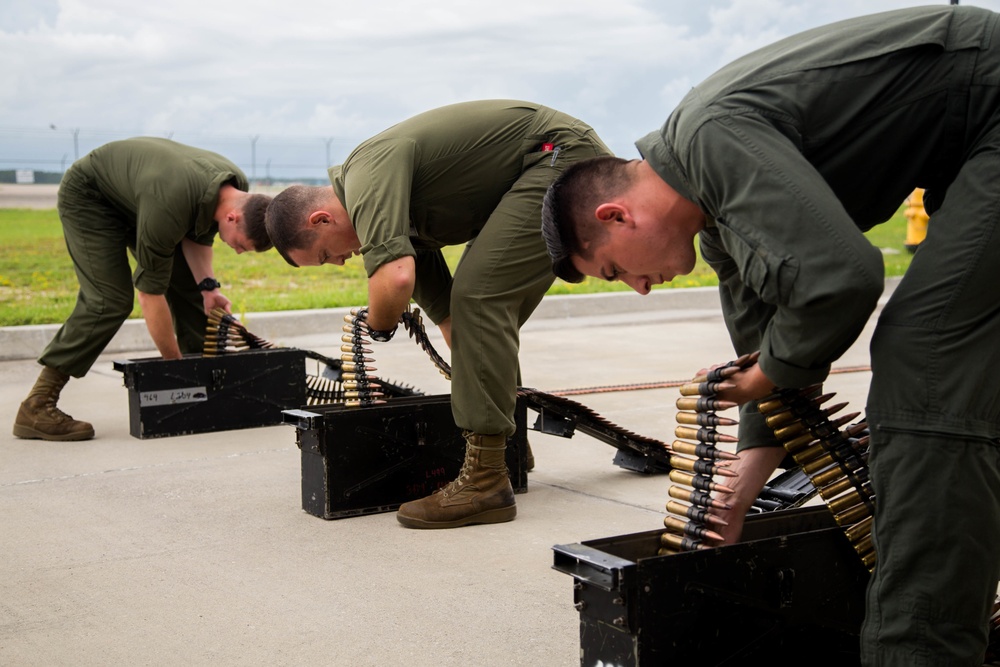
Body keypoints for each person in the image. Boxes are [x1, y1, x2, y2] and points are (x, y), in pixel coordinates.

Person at [540, 5, 1000, 665]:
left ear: (617, 214)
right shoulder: (714, 216)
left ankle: (922, 648)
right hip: (970, 144)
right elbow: (763, 331)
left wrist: (767, 375)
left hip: (989, 108)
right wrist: (747, 472)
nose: (638, 287)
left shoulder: (709, 139)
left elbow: (839, 279)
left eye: (616, 269)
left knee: (924, 364)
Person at [265, 99, 612, 529]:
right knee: (474, 316)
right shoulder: (389, 206)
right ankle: (507, 451)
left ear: (320, 219)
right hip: (546, 163)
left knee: (481, 300)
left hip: (559, 158)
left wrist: (376, 326)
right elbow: (454, 325)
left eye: (325, 256)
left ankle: (485, 483)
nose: (340, 262)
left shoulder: (367, 176)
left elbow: (395, 279)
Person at [13, 137, 273, 442]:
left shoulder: (234, 187)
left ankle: (203, 392)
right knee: (109, 300)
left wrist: (208, 287)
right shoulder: (172, 202)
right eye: (241, 245)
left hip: (142, 200)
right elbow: (150, 295)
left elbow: (196, 235)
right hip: (93, 197)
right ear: (233, 217)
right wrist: (174, 372)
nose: (238, 252)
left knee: (190, 290)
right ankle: (37, 404)